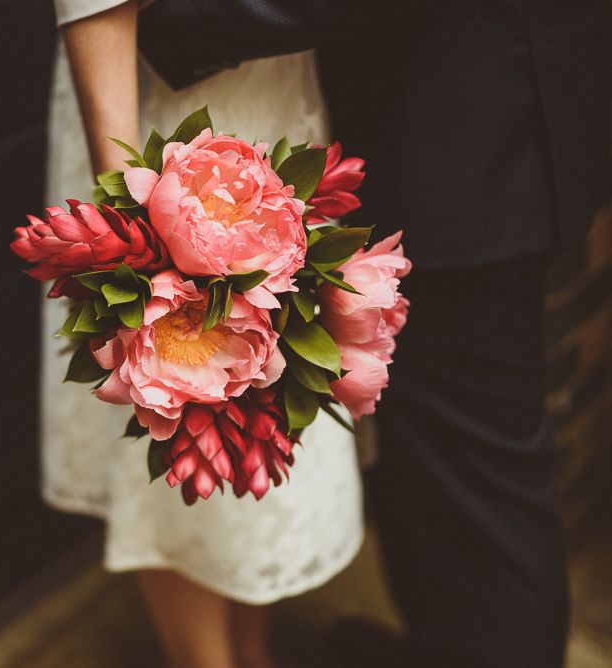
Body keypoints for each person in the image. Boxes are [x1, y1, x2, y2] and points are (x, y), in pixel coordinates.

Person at [136, 1, 611, 666]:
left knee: (478, 472)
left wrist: (177, 20)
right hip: (477, 130)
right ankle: (445, 645)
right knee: (438, 456)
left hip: (475, 144)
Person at [41, 3, 364, 667]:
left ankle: (250, 654)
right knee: (172, 430)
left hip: (276, 104)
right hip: (155, 129)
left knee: (261, 416)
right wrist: (129, 224)